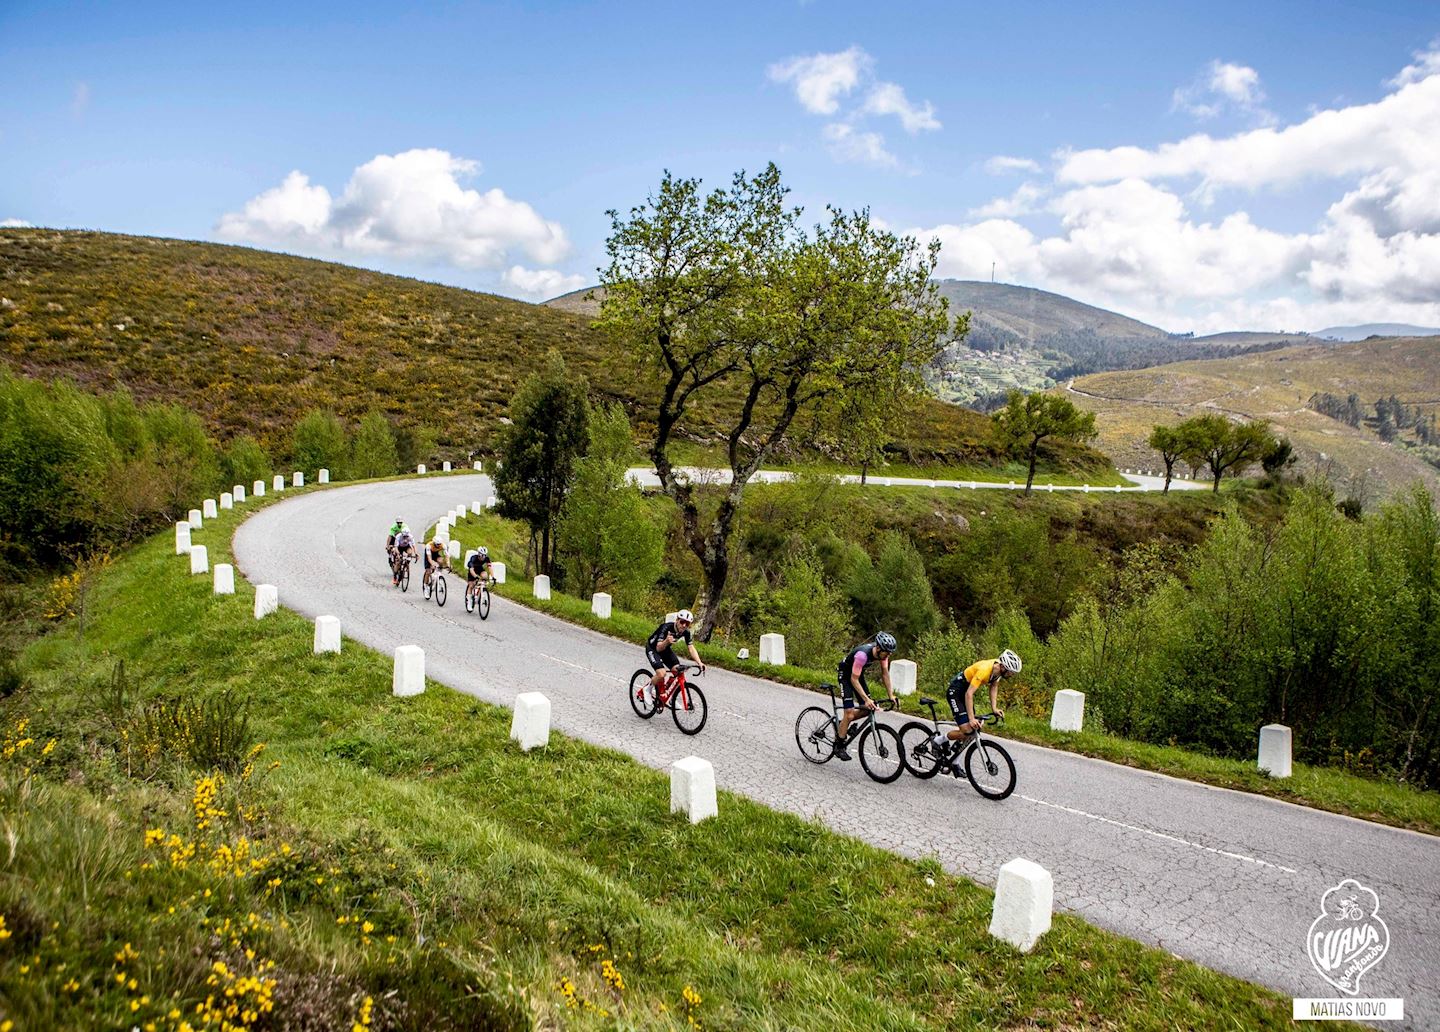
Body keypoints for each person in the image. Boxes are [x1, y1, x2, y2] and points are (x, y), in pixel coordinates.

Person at [931, 649, 1019, 764]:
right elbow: (969, 694)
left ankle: (954, 762)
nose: (1011, 675)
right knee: (967, 729)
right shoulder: (984, 670)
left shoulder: (998, 671)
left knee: (973, 730)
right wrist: (971, 719)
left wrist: (994, 708)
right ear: (1003, 667)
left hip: (965, 692)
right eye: (1011, 672)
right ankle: (938, 740)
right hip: (956, 692)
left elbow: (993, 687)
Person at [834, 632, 898, 760]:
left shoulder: (883, 654)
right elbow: (853, 680)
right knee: (850, 712)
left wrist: (891, 695)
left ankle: (843, 724)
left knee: (869, 708)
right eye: (887, 652)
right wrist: (866, 699)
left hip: (857, 675)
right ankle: (838, 746)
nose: (888, 655)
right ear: (878, 648)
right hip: (846, 676)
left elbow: (885, 674)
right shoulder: (862, 655)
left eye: (891, 652)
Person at [646, 610, 705, 695]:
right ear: (677, 620)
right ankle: (648, 689)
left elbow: (691, 648)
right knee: (662, 673)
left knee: (678, 671)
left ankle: (670, 697)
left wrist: (699, 662)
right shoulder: (666, 627)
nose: (684, 625)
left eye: (687, 623)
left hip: (665, 649)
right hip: (653, 648)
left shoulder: (686, 632)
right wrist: (666, 641)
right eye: (682, 622)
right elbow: (658, 648)